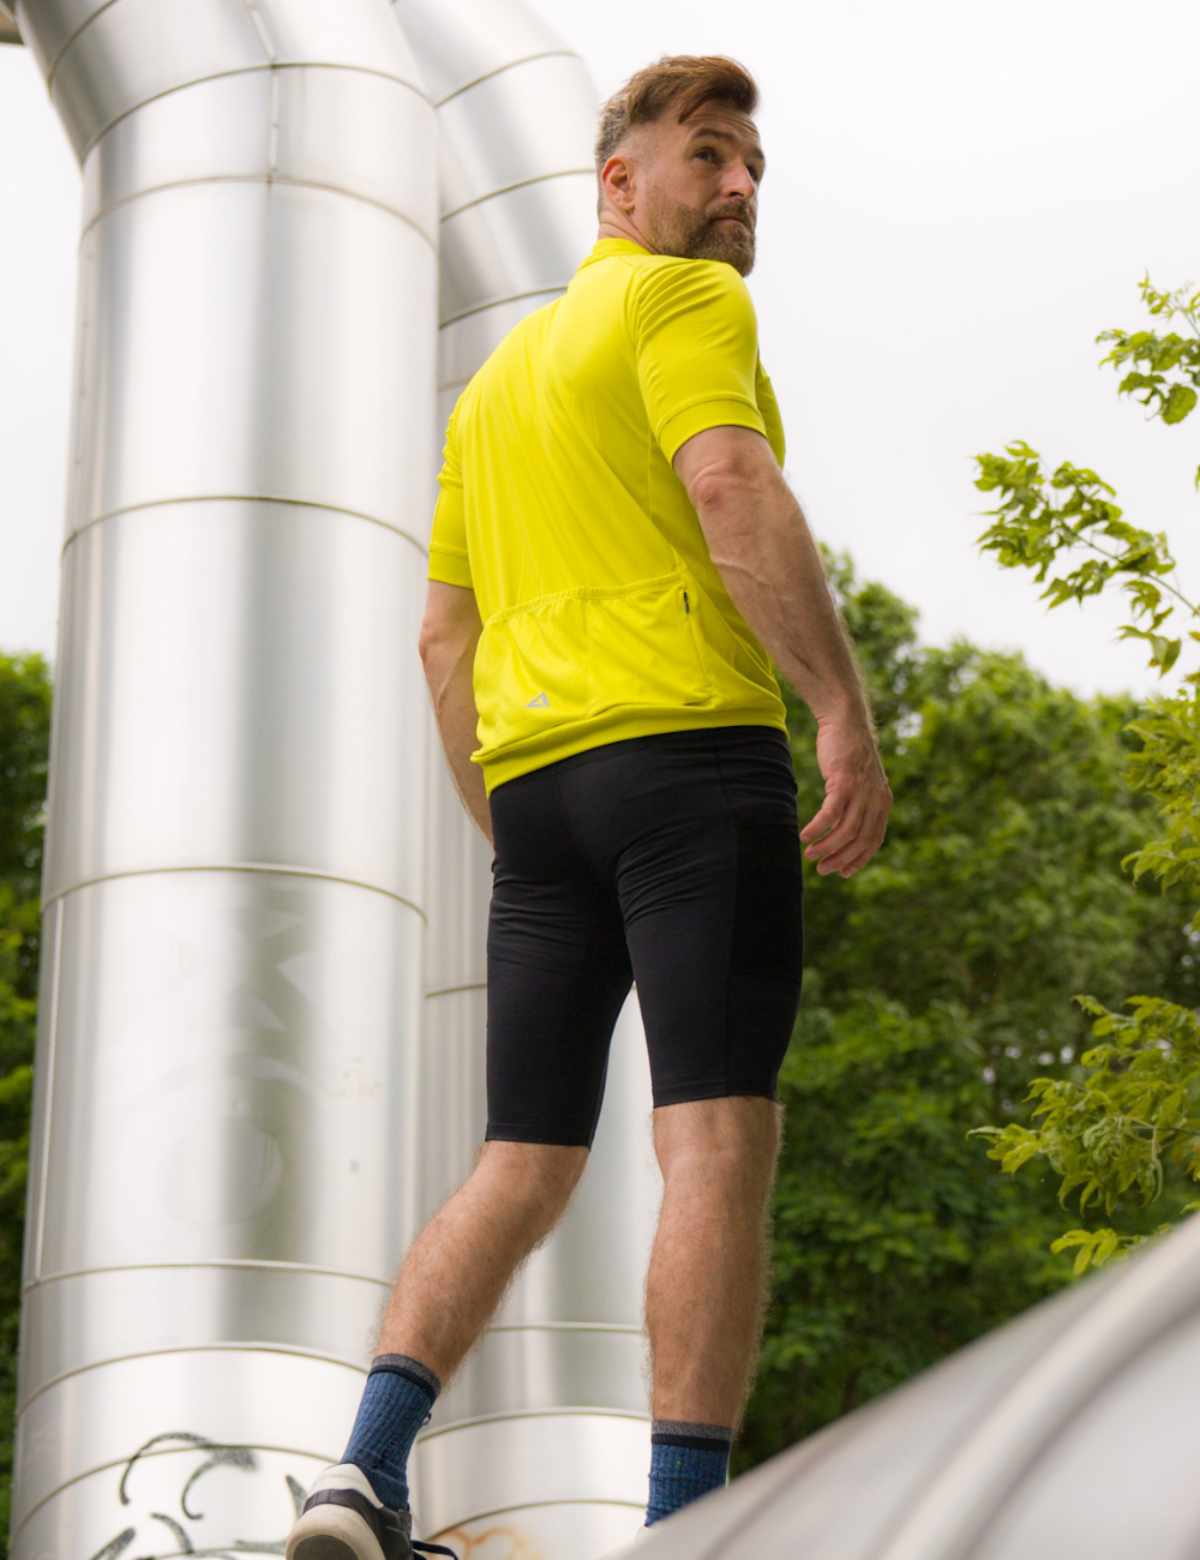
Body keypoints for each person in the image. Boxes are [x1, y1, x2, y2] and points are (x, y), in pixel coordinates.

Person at [286, 53, 891, 1560]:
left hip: (544, 797)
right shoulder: (688, 305)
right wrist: (841, 711)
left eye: (755, 166)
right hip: (694, 765)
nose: (741, 188)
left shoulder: (493, 389)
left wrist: (516, 831)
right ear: (620, 184)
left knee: (523, 1154)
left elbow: (443, 637)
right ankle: (686, 1521)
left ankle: (360, 1471)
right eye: (709, 156)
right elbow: (733, 488)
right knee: (717, 1141)